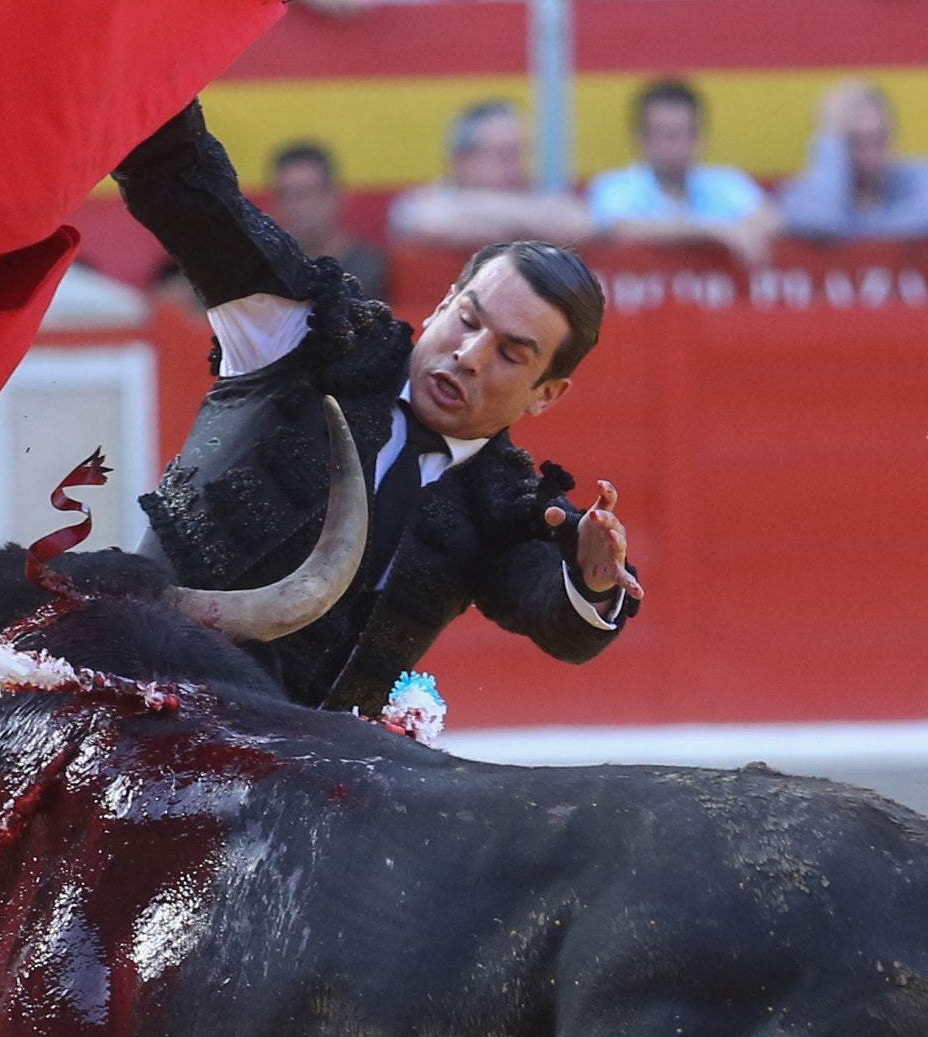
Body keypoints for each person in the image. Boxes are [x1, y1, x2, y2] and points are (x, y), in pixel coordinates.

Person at [114, 101, 640, 715]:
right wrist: (150, 64)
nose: (469, 356)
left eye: (510, 354)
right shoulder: (306, 343)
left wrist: (593, 584)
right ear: (444, 304)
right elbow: (187, 190)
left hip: (299, 783)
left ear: (547, 394)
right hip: (134, 703)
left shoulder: (501, 507)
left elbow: (556, 614)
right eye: (468, 320)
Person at [586, 79, 780, 265]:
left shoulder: (728, 183)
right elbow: (622, 229)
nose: (673, 147)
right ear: (640, 139)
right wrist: (713, 231)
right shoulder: (614, 187)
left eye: (682, 134)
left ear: (700, 137)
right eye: (662, 135)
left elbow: (769, 222)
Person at [386, 99, 591, 247]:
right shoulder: (425, 202)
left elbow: (579, 223)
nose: (517, 164)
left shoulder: (537, 196)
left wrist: (482, 219)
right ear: (463, 160)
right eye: (504, 153)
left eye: (521, 152)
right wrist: (530, 224)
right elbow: (432, 220)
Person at [778, 79, 928, 241]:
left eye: (878, 140)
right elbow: (818, 221)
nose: (870, 155)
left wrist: (850, 232)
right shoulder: (803, 191)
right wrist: (830, 140)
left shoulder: (919, 174)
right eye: (856, 142)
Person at [271, 140, 387, 301]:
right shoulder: (272, 273)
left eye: (309, 193)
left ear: (335, 196)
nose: (300, 208)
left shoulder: (372, 268)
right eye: (289, 195)